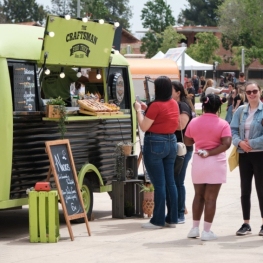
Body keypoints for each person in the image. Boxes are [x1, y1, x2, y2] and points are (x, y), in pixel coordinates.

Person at [134, 76, 180, 229]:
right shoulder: (173, 103)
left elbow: (144, 126)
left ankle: (158, 220)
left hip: (155, 143)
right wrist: (147, 110)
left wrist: (138, 111)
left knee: (159, 184)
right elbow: (162, 116)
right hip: (171, 141)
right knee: (170, 183)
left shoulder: (156, 105)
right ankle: (173, 218)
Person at [184, 94, 232, 241]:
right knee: (211, 198)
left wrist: (200, 143)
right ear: (219, 107)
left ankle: (194, 228)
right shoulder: (223, 124)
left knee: (198, 196)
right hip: (215, 163)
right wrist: (210, 152)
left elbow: (187, 141)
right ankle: (206, 231)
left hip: (198, 162)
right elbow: (226, 144)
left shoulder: (194, 122)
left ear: (203, 106)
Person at [230, 81, 263, 236]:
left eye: (254, 91)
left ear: (260, 91)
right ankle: (246, 223)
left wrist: (252, 143)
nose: (251, 94)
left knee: (261, 189)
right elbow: (233, 129)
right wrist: (240, 143)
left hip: (260, 153)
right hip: (244, 154)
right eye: (249, 92)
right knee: (245, 189)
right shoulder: (242, 111)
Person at [172, 81, 193, 224]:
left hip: (182, 148)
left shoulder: (182, 106)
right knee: (174, 180)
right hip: (176, 147)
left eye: (170, 91)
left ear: (178, 93)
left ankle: (180, 214)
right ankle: (179, 208)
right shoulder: (175, 105)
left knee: (178, 181)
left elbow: (181, 124)